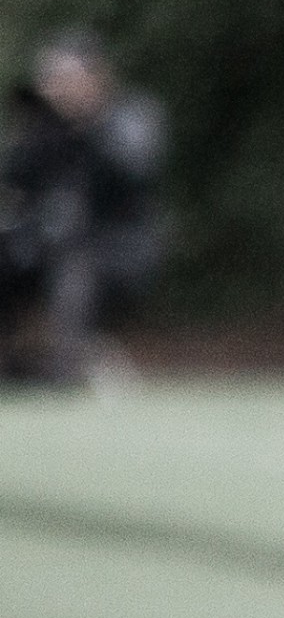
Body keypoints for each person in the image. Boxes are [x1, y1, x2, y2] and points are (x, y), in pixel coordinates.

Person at [3, 32, 167, 381]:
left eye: (65, 78)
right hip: (50, 243)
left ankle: (68, 369)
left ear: (94, 78)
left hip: (116, 247)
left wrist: (88, 122)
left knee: (75, 271)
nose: (55, 88)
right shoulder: (45, 126)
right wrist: (33, 127)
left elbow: (135, 169)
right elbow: (16, 177)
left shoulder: (129, 116)